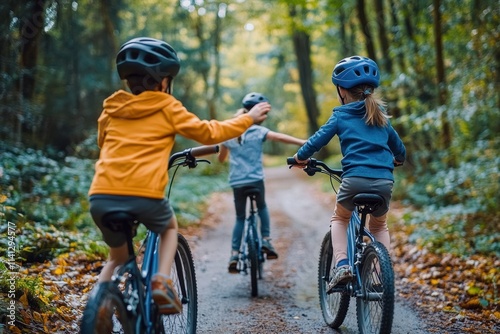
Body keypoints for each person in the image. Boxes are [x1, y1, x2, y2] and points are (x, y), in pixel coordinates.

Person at [88, 37, 270, 314]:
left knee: (116, 258)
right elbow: (210, 132)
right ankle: (161, 281)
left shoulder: (110, 109)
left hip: (100, 197)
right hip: (144, 195)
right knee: (169, 226)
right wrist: (249, 118)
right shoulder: (167, 106)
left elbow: (103, 143)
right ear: (163, 81)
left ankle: (98, 306)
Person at [292, 56, 406, 290]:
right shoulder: (381, 116)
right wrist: (397, 160)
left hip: (354, 180)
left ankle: (342, 265)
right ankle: (379, 274)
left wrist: (300, 158)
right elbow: (400, 149)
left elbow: (316, 141)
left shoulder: (341, 115)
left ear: (342, 90)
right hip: (384, 181)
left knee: (340, 218)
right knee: (379, 227)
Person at [218, 92, 306, 273]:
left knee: (240, 217)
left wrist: (225, 150)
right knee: (262, 207)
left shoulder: (229, 130)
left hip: (237, 182)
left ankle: (234, 254)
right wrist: (303, 142)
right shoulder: (258, 131)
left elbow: (221, 158)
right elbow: (280, 137)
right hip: (256, 180)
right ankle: (266, 240)